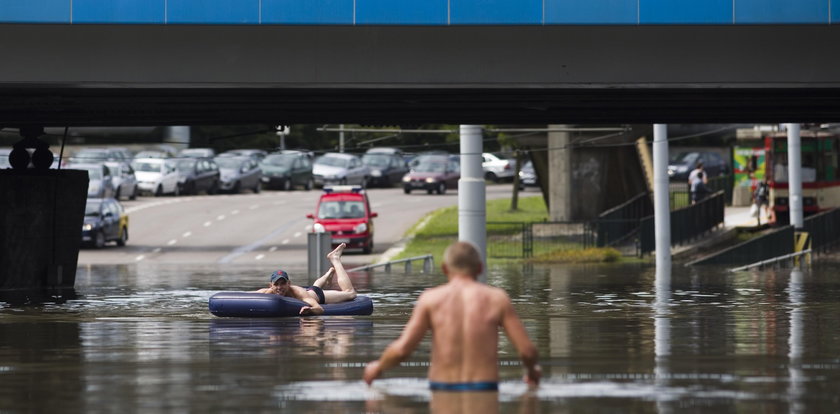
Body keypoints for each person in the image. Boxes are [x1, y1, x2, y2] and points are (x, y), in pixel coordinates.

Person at [363, 241, 541, 391]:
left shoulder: (430, 300)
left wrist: (378, 367)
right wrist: (532, 372)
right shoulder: (497, 299)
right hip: (485, 387)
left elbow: (402, 350)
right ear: (480, 268)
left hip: (442, 386)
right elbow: (527, 350)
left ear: (445, 269)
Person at [254, 243, 357, 315]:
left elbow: (319, 309)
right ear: (271, 285)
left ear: (289, 283)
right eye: (276, 284)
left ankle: (335, 259)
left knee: (351, 293)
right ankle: (328, 274)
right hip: (310, 290)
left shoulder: (298, 292)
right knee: (314, 287)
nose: (279, 287)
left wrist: (310, 310)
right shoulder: (266, 293)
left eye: (283, 283)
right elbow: (244, 296)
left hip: (317, 296)